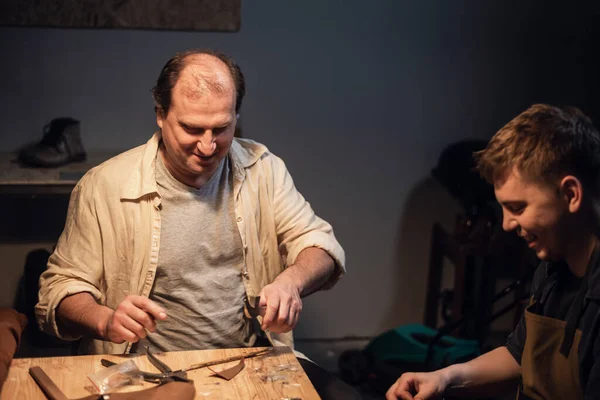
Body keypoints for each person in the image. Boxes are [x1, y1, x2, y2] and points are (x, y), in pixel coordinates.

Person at [35, 49, 359, 399]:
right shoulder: (105, 185)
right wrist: (105, 319)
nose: (207, 146)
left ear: (236, 116)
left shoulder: (263, 169)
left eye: (221, 129)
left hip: (245, 359)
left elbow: (321, 245)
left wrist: (290, 282)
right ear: (161, 115)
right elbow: (58, 290)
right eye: (191, 128)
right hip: (144, 370)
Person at [386, 104, 600, 400]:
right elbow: (518, 354)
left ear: (570, 194)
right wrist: (444, 377)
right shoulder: (553, 266)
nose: (507, 224)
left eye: (518, 208)